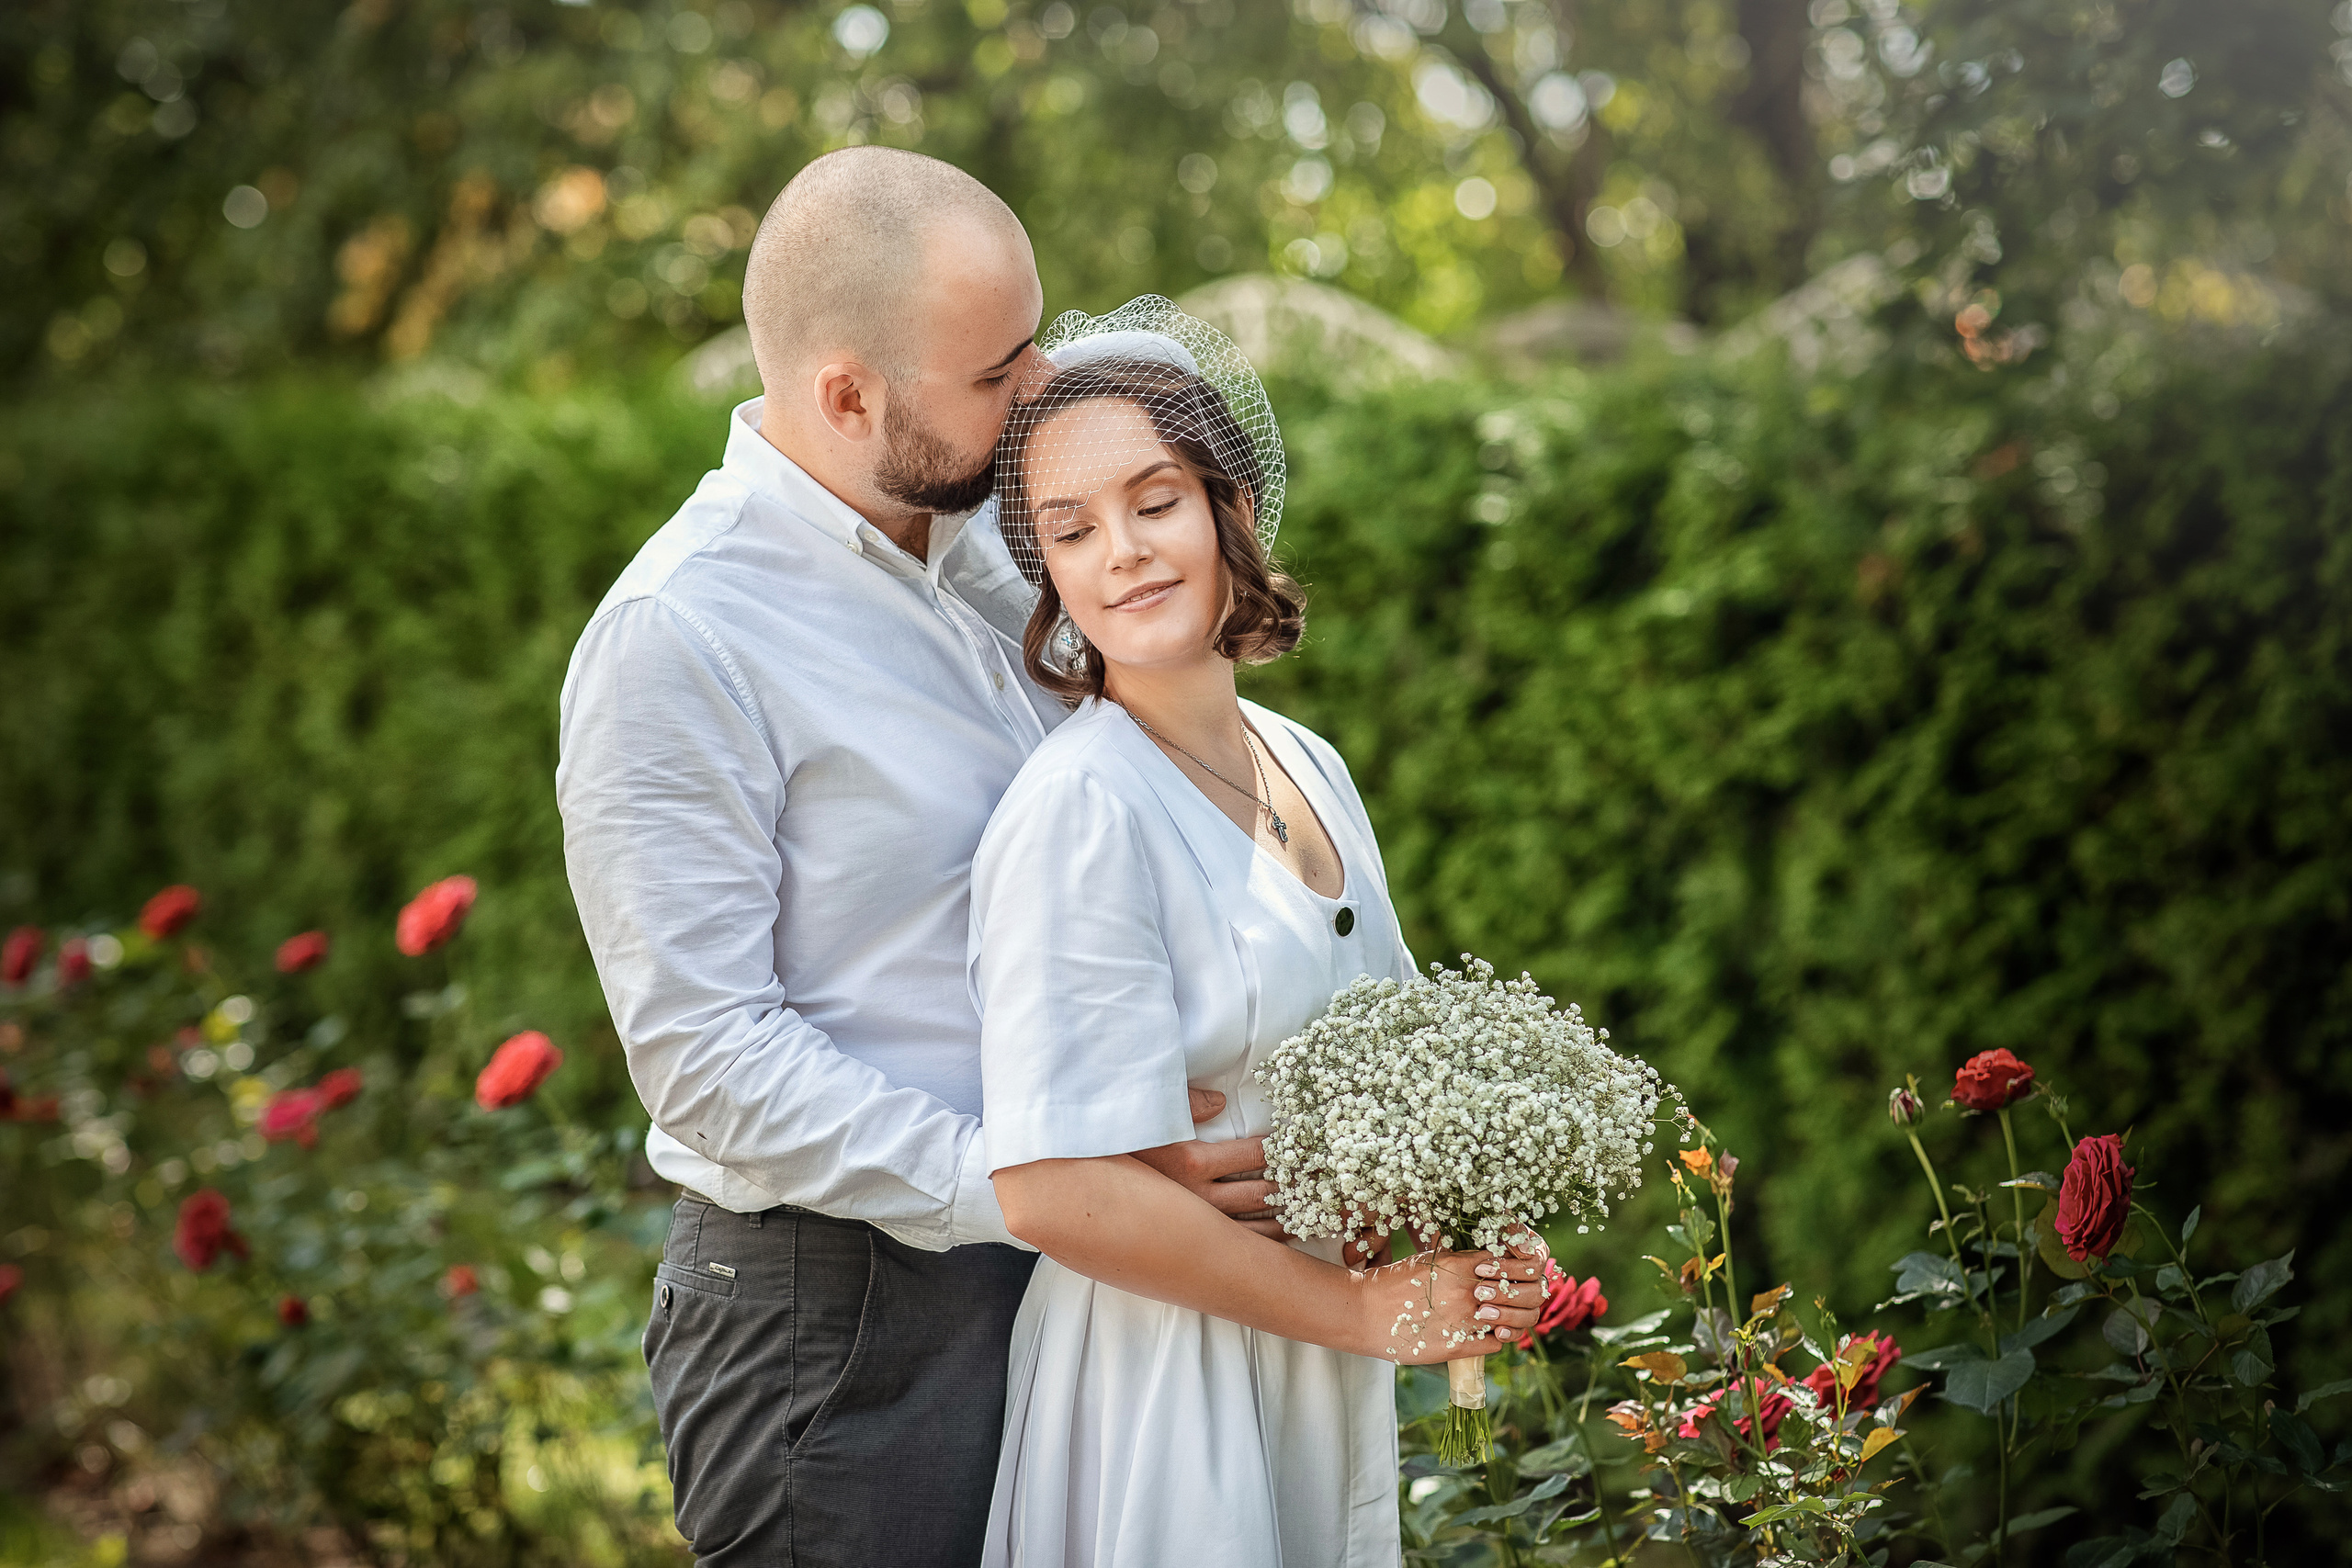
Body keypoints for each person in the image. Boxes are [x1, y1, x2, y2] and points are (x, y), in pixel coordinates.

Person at [556, 154, 1278, 1566]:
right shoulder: (680, 639)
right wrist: (1036, 1181)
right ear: (847, 397)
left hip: (1085, 1276)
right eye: (999, 368)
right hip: (840, 1327)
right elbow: (706, 1057)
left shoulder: (1008, 542)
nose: (1049, 385)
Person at [968, 300, 1550, 1568]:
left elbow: (1393, 1069)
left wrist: (1480, 1217)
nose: (1120, 551)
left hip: (1316, 1355)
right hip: (1164, 1383)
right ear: (1049, 571)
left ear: (1229, 504)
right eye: (1072, 529)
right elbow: (1050, 1186)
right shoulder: (1079, 810)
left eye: (1155, 501)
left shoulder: (1309, 763)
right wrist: (1361, 1311)